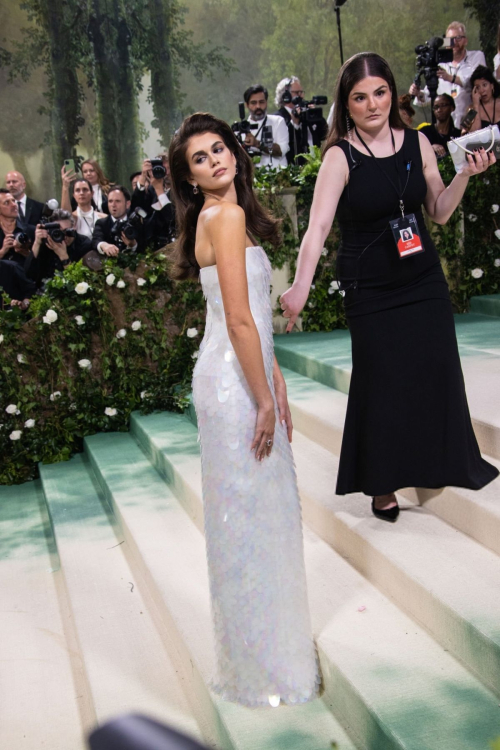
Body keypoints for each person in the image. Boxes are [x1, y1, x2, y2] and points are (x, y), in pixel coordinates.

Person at [280, 52, 498, 522]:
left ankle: (440, 460)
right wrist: (299, 287)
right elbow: (316, 230)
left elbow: (437, 210)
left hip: (422, 277)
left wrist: (464, 173)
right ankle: (382, 482)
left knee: (438, 367)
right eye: (360, 97)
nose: (372, 104)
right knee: (381, 381)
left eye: (379, 93)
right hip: (371, 286)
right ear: (347, 104)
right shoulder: (339, 156)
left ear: (391, 93)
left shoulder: (416, 144)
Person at [168, 112, 319, 706]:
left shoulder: (226, 219)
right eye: (199, 159)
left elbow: (252, 314)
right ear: (190, 178)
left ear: (234, 150)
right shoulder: (224, 217)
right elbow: (236, 320)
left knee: (254, 519)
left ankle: (259, 659)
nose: (215, 160)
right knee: (253, 520)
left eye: (219, 148)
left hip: (240, 373)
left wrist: (275, 378)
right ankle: (266, 670)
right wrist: (261, 397)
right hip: (234, 382)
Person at [409, 21, 486, 129]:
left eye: (458, 38)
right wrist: (418, 93)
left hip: (471, 123)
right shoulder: (440, 65)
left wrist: (451, 78)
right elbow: (427, 97)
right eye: (450, 40)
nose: (454, 42)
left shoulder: (476, 57)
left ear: (465, 40)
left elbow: (480, 83)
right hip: (446, 128)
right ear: (445, 43)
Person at [24, 209, 91, 290]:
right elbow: (28, 275)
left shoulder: (84, 244)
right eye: (58, 232)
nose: (63, 236)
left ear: (74, 227)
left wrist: (63, 256)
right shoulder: (47, 242)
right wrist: (37, 243)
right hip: (45, 291)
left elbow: (80, 284)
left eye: (66, 231)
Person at [274, 76, 328, 165]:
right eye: (297, 92)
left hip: (316, 165)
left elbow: (324, 134)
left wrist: (316, 116)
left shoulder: (306, 112)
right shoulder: (279, 117)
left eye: (301, 92)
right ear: (285, 95)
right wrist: (294, 123)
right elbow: (286, 143)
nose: (301, 95)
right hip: (294, 167)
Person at [132, 156, 176, 249]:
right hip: (152, 245)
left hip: (171, 245)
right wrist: (143, 177)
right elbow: (137, 207)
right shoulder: (152, 190)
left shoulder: (179, 191)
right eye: (163, 168)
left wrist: (159, 191)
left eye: (168, 169)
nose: (166, 173)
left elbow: (172, 219)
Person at [242, 84, 289, 169]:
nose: (258, 106)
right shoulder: (240, 129)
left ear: (266, 102)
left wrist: (257, 144)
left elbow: (282, 150)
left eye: (261, 102)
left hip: (277, 177)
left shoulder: (278, 121)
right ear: (246, 105)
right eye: (253, 103)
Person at [92, 185, 142, 257]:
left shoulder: (136, 222)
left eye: (117, 201)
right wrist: (104, 245)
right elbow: (96, 240)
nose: (113, 205)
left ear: (127, 204)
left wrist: (133, 245)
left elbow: (143, 247)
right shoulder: (101, 223)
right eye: (110, 201)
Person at [61, 170, 107, 239]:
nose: (81, 193)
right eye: (77, 190)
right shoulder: (73, 218)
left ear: (92, 193)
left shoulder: (104, 218)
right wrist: (65, 187)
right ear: (73, 195)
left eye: (85, 189)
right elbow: (65, 214)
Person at [468, 65, 500, 131]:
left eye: (484, 85)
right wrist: (476, 106)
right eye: (478, 87)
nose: (482, 90)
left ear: (492, 85)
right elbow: (473, 135)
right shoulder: (470, 110)